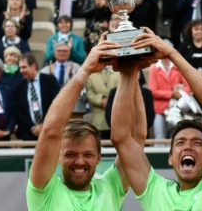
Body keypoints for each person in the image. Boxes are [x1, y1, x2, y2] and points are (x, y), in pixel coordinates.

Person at [110, 27, 202, 210]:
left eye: (197, 143)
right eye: (180, 142)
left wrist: (171, 53)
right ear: (170, 158)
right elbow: (122, 139)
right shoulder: (156, 191)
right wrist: (128, 72)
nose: (188, 146)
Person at [26, 38, 147, 210]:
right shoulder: (44, 191)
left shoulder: (110, 188)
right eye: (70, 154)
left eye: (88, 154)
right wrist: (85, 70)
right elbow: (50, 132)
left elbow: (136, 138)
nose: (80, 161)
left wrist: (130, 71)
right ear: (58, 157)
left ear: (99, 157)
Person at [15, 54, 60, 140]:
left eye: (24, 67)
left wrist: (44, 125)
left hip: (49, 131)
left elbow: (57, 105)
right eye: (20, 68)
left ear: (33, 66)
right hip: (28, 135)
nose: (21, 70)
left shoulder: (50, 81)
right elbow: (19, 113)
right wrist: (33, 127)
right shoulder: (19, 87)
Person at [41, 42, 87, 116]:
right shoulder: (45, 71)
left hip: (73, 109)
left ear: (69, 52)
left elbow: (82, 90)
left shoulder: (77, 68)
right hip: (51, 110)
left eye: (65, 51)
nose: (62, 53)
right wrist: (52, 77)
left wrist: (70, 76)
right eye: (59, 50)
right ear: (54, 52)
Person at [85, 65, 119, 139]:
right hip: (99, 120)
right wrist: (100, 100)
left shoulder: (119, 72)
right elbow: (89, 93)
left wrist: (111, 101)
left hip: (117, 118)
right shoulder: (90, 75)